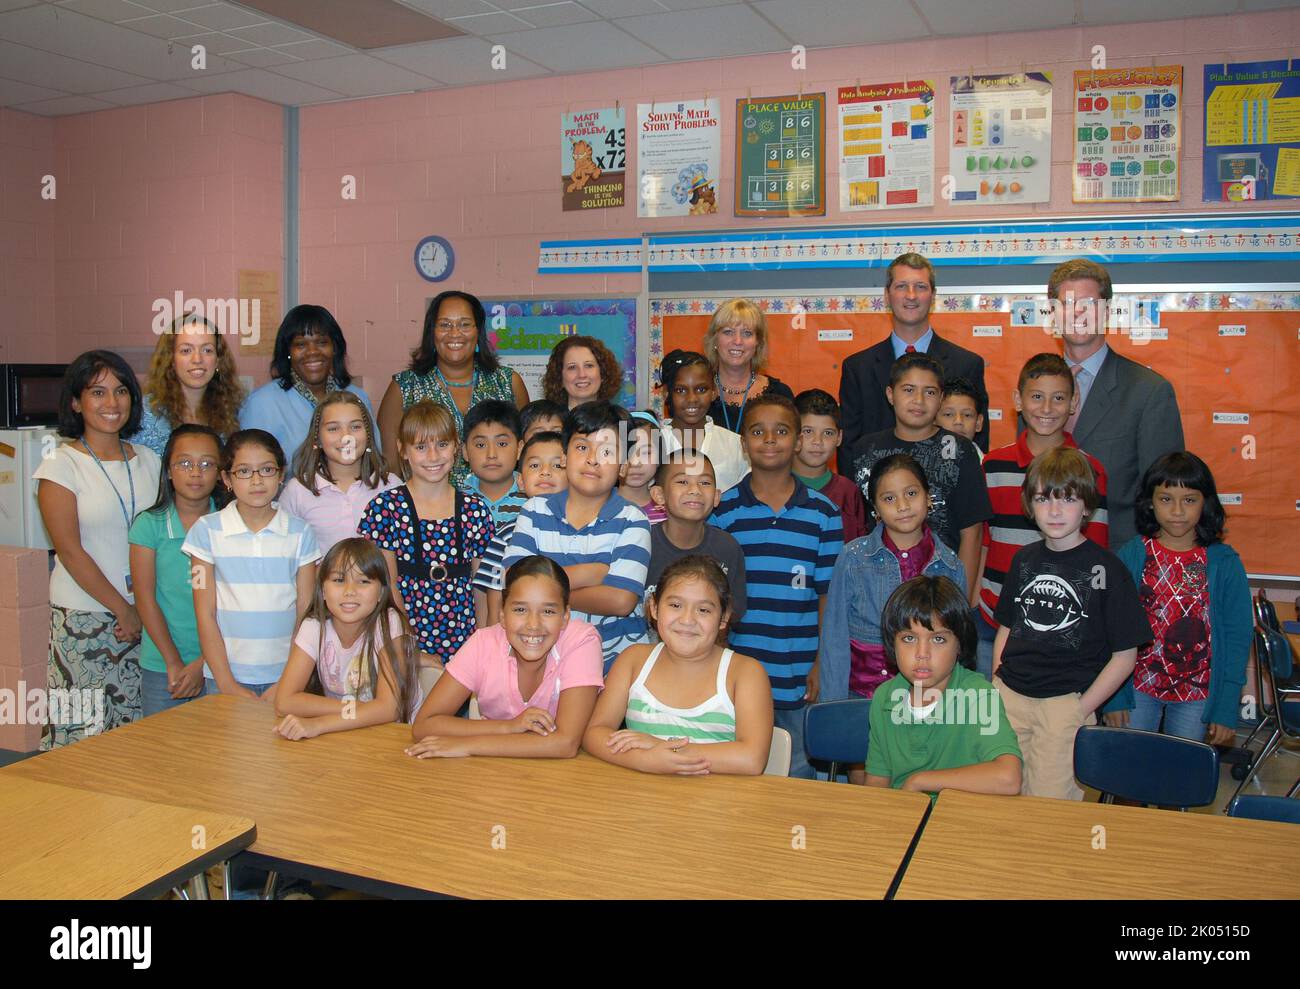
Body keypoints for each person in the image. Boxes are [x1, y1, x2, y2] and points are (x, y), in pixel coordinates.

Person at [992, 448, 1151, 800]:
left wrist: (1082, 708)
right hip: (1009, 698)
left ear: (1087, 507)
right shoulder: (1024, 559)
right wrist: (996, 681)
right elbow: (1007, 624)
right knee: (998, 798)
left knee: (1049, 809)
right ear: (1029, 506)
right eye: (1043, 498)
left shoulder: (1106, 569)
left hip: (1064, 705)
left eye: (1067, 499)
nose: (1055, 510)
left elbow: (1126, 654)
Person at [35, 351, 163, 746]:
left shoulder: (151, 461)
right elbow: (70, 552)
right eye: (98, 392)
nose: (112, 403)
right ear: (76, 402)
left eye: (121, 390)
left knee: (135, 738)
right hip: (85, 620)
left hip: (148, 618)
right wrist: (123, 608)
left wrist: (143, 608)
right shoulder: (60, 466)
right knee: (80, 741)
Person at [712, 394, 843, 779]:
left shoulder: (823, 514)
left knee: (797, 775)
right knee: (740, 773)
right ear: (743, 443)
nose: (769, 440)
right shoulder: (724, 511)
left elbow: (827, 597)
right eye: (757, 431)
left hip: (798, 673)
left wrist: (821, 664)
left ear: (798, 441)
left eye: (781, 431)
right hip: (738, 671)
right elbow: (715, 598)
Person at [1103, 453, 1251, 746]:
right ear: (1150, 503)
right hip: (1137, 688)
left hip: (1197, 695)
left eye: (1190, 500)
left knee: (1180, 777)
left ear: (1205, 503)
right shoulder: (1133, 556)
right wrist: (1113, 696)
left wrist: (1225, 706)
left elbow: (1237, 638)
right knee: (1130, 773)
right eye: (1166, 499)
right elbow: (1111, 630)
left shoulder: (1223, 562)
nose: (1178, 511)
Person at [978, 353, 1110, 678]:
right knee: (990, 719)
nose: (1047, 408)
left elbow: (1096, 555)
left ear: (1074, 402)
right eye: (1037, 397)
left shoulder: (1090, 470)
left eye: (1059, 398)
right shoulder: (993, 466)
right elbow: (984, 542)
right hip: (991, 618)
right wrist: (972, 604)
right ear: (1018, 401)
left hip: (1060, 626)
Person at [584, 556, 774, 776]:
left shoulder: (746, 673)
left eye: (703, 610)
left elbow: (751, 759)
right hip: (643, 801)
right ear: (654, 607)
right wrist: (644, 759)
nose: (687, 620)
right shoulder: (633, 660)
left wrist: (660, 747)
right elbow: (594, 734)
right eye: (675, 605)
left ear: (723, 618)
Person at [502, 401, 651, 672]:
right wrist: (592, 573)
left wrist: (546, 592)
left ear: (623, 467)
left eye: (607, 451)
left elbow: (621, 600)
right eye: (582, 447)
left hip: (614, 666)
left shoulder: (633, 519)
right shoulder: (535, 510)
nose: (593, 459)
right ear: (564, 457)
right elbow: (515, 581)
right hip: (547, 664)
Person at [1045, 258, 1184, 546]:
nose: (1078, 313)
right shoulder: (1038, 391)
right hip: (1047, 559)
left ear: (1107, 311)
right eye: (1068, 303)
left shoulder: (1149, 392)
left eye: (1089, 303)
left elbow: (1163, 497)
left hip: (1118, 562)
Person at [406, 557, 604, 758]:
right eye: (520, 610)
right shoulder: (483, 643)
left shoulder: (581, 640)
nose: (533, 624)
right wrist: (508, 727)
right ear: (502, 614)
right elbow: (424, 725)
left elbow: (565, 743)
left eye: (548, 611)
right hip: (493, 773)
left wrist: (468, 746)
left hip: (565, 779)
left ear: (565, 617)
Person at [358, 401, 495, 678]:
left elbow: (483, 588)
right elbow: (387, 587)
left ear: (456, 446)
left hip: (466, 640)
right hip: (405, 641)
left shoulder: (475, 509)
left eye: (442, 444)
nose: (433, 456)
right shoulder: (385, 508)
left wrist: (483, 644)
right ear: (403, 450)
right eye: (421, 447)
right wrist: (409, 648)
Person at [183, 429, 320, 701]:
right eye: (244, 471)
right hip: (224, 679)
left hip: (286, 677)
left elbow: (306, 614)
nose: (256, 481)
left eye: (267, 470)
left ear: (282, 475)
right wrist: (227, 683)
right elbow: (205, 614)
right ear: (227, 479)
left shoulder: (300, 533)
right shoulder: (206, 532)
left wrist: (288, 680)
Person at [846, 352, 991, 602]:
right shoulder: (864, 449)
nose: (919, 400)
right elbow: (860, 524)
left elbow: (972, 531)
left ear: (941, 398)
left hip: (941, 584)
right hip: (876, 585)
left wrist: (960, 598)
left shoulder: (960, 450)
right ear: (891, 395)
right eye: (909, 390)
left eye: (930, 392)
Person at [865, 576, 1022, 796]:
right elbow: (877, 785)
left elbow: (1009, 778)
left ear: (959, 644)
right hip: (904, 817)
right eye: (909, 638)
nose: (922, 654)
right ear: (892, 643)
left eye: (938, 639)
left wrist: (919, 781)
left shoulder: (978, 695)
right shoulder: (884, 697)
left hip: (959, 822)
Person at [839, 252, 989, 451]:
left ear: (933, 296)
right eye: (901, 286)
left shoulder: (967, 364)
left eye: (920, 287)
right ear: (886, 295)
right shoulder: (857, 368)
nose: (911, 295)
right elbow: (849, 448)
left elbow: (976, 448)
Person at [272, 538, 419, 740]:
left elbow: (388, 709)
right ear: (322, 589)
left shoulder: (390, 623)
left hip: (393, 737)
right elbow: (284, 701)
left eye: (364, 581)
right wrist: (360, 709)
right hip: (343, 730)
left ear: (381, 592)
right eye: (339, 580)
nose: (350, 591)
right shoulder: (314, 625)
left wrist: (318, 723)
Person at [378, 291, 528, 482]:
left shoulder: (508, 382)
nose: (455, 333)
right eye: (445, 325)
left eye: (464, 324)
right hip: (424, 506)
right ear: (432, 332)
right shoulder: (403, 387)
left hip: (499, 506)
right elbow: (392, 470)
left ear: (478, 332)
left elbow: (526, 456)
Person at [129, 425, 225, 717]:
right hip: (163, 665)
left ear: (221, 474)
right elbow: (145, 599)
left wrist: (202, 663)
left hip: (220, 663)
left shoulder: (230, 525)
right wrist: (173, 661)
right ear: (168, 471)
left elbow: (236, 603)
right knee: (162, 754)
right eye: (184, 463)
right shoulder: (149, 525)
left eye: (207, 464)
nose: (195, 472)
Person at [240, 305, 374, 465]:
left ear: (335, 348)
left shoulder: (357, 397)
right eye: (301, 344)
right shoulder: (261, 403)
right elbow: (248, 468)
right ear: (288, 351)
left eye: (322, 342)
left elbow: (373, 458)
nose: (312, 352)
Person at [278, 391, 400, 555]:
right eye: (333, 428)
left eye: (355, 427)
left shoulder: (392, 487)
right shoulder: (297, 491)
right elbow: (287, 555)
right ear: (318, 438)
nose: (346, 437)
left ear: (369, 434)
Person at [472, 430, 567, 628]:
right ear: (521, 481)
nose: (545, 471)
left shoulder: (577, 532)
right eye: (534, 465)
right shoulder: (506, 536)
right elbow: (494, 603)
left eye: (557, 465)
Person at [645, 453, 747, 626]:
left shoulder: (727, 547)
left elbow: (733, 612)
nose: (695, 490)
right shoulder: (642, 544)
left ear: (716, 496)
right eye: (683, 481)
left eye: (705, 483)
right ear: (659, 494)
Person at [131, 314, 245, 457]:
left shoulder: (234, 413)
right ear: (171, 359)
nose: (197, 359)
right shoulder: (143, 415)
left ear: (218, 360)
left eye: (207, 350)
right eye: (186, 350)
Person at [659, 349, 748, 494]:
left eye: (701, 389)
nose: (692, 399)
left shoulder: (735, 445)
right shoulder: (652, 443)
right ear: (667, 394)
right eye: (681, 390)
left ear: (714, 392)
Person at [702, 298, 794, 434]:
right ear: (715, 339)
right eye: (728, 332)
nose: (738, 341)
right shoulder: (697, 395)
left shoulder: (779, 394)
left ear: (758, 342)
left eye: (747, 333)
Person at [792, 388, 868, 541]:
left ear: (839, 437)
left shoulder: (849, 493)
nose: (817, 441)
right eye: (808, 431)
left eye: (828, 433)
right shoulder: (776, 487)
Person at [459, 399, 527, 529]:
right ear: (465, 451)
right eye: (480, 445)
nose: (491, 454)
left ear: (519, 449)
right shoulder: (456, 502)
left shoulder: (532, 497)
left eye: (502, 444)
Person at [541, 334, 623, 410]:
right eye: (572, 367)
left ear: (603, 373)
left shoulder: (622, 421)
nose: (582, 375)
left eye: (589, 366)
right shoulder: (547, 423)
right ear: (559, 377)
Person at [619, 410, 667, 524]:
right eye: (627, 453)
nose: (635, 463)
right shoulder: (599, 505)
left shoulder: (670, 508)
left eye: (646, 453)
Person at [936, 378, 985, 461]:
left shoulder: (990, 469)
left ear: (978, 423)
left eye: (967, 415)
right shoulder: (916, 467)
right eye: (948, 414)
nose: (958, 421)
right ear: (933, 421)